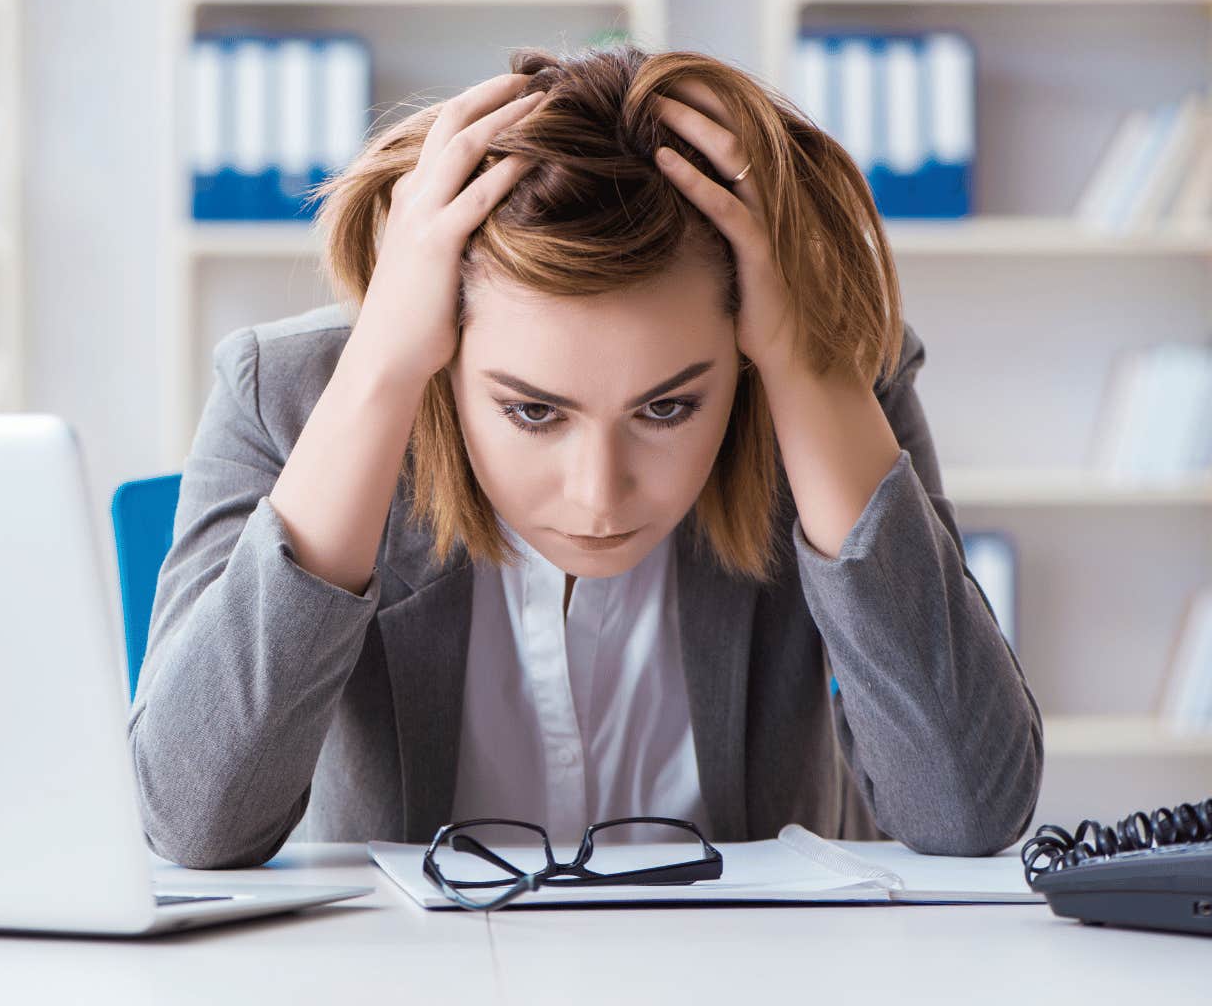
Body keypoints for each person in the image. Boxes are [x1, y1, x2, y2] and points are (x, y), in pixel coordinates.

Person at [127, 43, 1044, 870]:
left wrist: (809, 369)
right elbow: (193, 823)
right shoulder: (287, 396)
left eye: (669, 406)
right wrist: (378, 370)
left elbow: (968, 810)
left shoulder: (824, 391)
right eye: (532, 411)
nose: (600, 496)